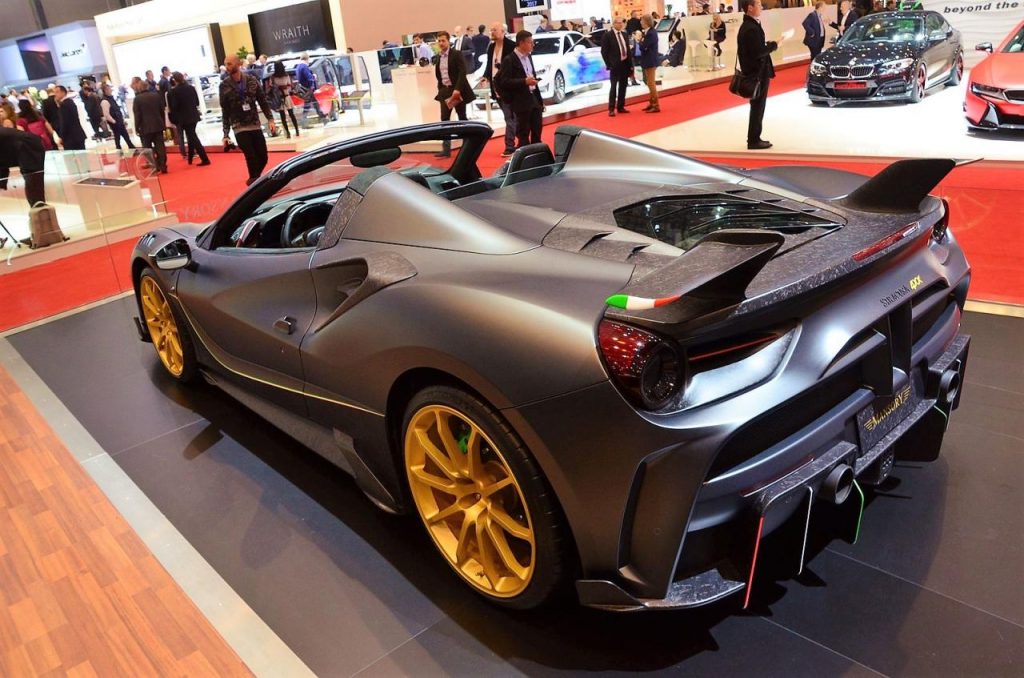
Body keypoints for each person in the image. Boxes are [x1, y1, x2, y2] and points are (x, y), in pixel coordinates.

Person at [220, 54, 276, 185]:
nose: (227, 67)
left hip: (254, 124)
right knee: (250, 156)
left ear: (238, 64)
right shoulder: (224, 85)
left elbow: (262, 101)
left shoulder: (252, 80)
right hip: (239, 126)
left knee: (263, 156)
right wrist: (226, 134)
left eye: (229, 64)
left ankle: (254, 181)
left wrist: (270, 119)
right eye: (226, 64)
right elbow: (225, 111)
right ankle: (254, 183)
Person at [737, 0, 781, 149]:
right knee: (757, 106)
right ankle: (754, 139)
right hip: (757, 73)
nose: (761, 7)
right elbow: (758, 52)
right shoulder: (750, 28)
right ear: (750, 8)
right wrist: (774, 45)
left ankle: (754, 138)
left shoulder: (750, 25)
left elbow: (756, 48)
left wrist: (768, 45)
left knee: (757, 106)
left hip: (756, 72)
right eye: (758, 4)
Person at [496, 30, 544, 149]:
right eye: (530, 42)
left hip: (533, 97)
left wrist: (540, 101)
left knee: (537, 129)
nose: (532, 45)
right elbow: (504, 81)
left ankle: (538, 155)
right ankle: (525, 156)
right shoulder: (509, 60)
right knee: (523, 134)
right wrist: (524, 81)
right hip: (520, 101)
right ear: (521, 43)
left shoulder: (529, 57)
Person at [433, 31, 477, 158]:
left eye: (443, 40)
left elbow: (462, 72)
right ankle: (446, 149)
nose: (441, 43)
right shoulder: (438, 57)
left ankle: (467, 145)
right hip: (444, 91)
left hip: (457, 90)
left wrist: (457, 89)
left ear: (448, 41)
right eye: (439, 41)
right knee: (444, 120)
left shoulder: (456, 54)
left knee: (462, 118)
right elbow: (439, 75)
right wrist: (440, 90)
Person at [483, 22, 518, 157]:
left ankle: (509, 146)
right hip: (496, 87)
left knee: (509, 117)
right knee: (510, 117)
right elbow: (489, 65)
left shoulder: (511, 46)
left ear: (503, 31)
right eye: (491, 30)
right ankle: (518, 141)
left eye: (495, 30)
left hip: (508, 87)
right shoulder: (491, 47)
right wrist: (485, 76)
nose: (492, 32)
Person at [167, 73, 209, 165]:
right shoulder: (191, 88)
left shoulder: (174, 91)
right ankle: (190, 158)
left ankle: (205, 158)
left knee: (192, 137)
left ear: (175, 80)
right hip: (194, 115)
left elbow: (174, 106)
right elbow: (197, 102)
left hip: (184, 118)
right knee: (191, 136)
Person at [0, 128, 46, 206]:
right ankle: (39, 208)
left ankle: (40, 210)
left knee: (33, 184)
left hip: (27, 145)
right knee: (33, 183)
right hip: (20, 146)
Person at [132, 77, 168, 173]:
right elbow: (161, 111)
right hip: (158, 125)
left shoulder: (137, 99)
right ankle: (163, 165)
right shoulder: (156, 96)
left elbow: (137, 115)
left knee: (147, 149)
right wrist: (163, 123)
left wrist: (137, 127)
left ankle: (155, 165)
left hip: (145, 127)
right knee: (160, 147)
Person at [601, 17, 632, 116]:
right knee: (613, 87)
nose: (620, 25)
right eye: (618, 23)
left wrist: (631, 64)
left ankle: (621, 106)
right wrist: (609, 64)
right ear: (614, 24)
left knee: (623, 86)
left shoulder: (624, 34)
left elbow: (627, 50)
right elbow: (604, 52)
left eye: (621, 23)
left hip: (624, 64)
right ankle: (611, 108)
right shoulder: (607, 35)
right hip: (614, 65)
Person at [269, 60, 300, 139]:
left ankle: (288, 133)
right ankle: (297, 130)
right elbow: (289, 86)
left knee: (283, 117)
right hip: (286, 96)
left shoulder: (273, 77)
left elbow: (271, 87)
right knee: (291, 114)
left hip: (278, 98)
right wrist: (285, 88)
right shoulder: (286, 75)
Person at [100, 83, 134, 151]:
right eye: (109, 89)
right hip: (115, 122)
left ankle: (131, 147)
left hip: (119, 120)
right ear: (105, 90)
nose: (111, 90)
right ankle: (119, 150)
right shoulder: (105, 101)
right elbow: (106, 114)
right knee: (117, 137)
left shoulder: (111, 99)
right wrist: (114, 121)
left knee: (125, 135)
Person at [637, 15, 660, 113]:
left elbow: (643, 47)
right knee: (649, 83)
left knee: (651, 83)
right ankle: (651, 103)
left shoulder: (651, 33)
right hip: (648, 60)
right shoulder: (648, 32)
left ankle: (655, 105)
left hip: (650, 61)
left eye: (642, 21)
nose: (640, 22)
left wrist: (639, 41)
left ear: (646, 22)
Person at [294, 52, 325, 126]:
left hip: (303, 89)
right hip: (307, 89)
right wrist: (314, 76)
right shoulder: (304, 67)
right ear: (307, 59)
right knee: (308, 105)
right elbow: (309, 78)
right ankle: (305, 122)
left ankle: (322, 116)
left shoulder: (298, 67)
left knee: (313, 103)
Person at [53, 86, 87, 151]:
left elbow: (64, 123)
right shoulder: (70, 102)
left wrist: (61, 137)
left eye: (57, 92)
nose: (55, 94)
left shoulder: (63, 105)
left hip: (70, 138)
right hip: (78, 135)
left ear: (63, 92)